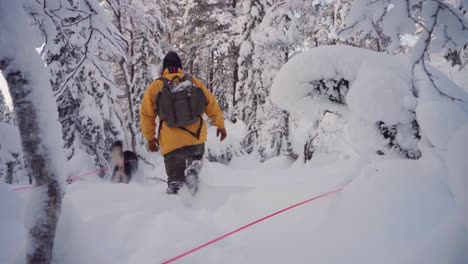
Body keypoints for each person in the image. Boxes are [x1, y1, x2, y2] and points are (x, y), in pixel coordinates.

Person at [140, 51, 227, 194]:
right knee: (195, 160)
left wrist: (150, 138)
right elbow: (211, 104)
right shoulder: (194, 82)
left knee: (176, 185)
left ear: (164, 68)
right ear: (180, 67)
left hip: (171, 141)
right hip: (195, 137)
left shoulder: (156, 86)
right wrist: (220, 126)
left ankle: (179, 203)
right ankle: (194, 170)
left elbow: (146, 115)